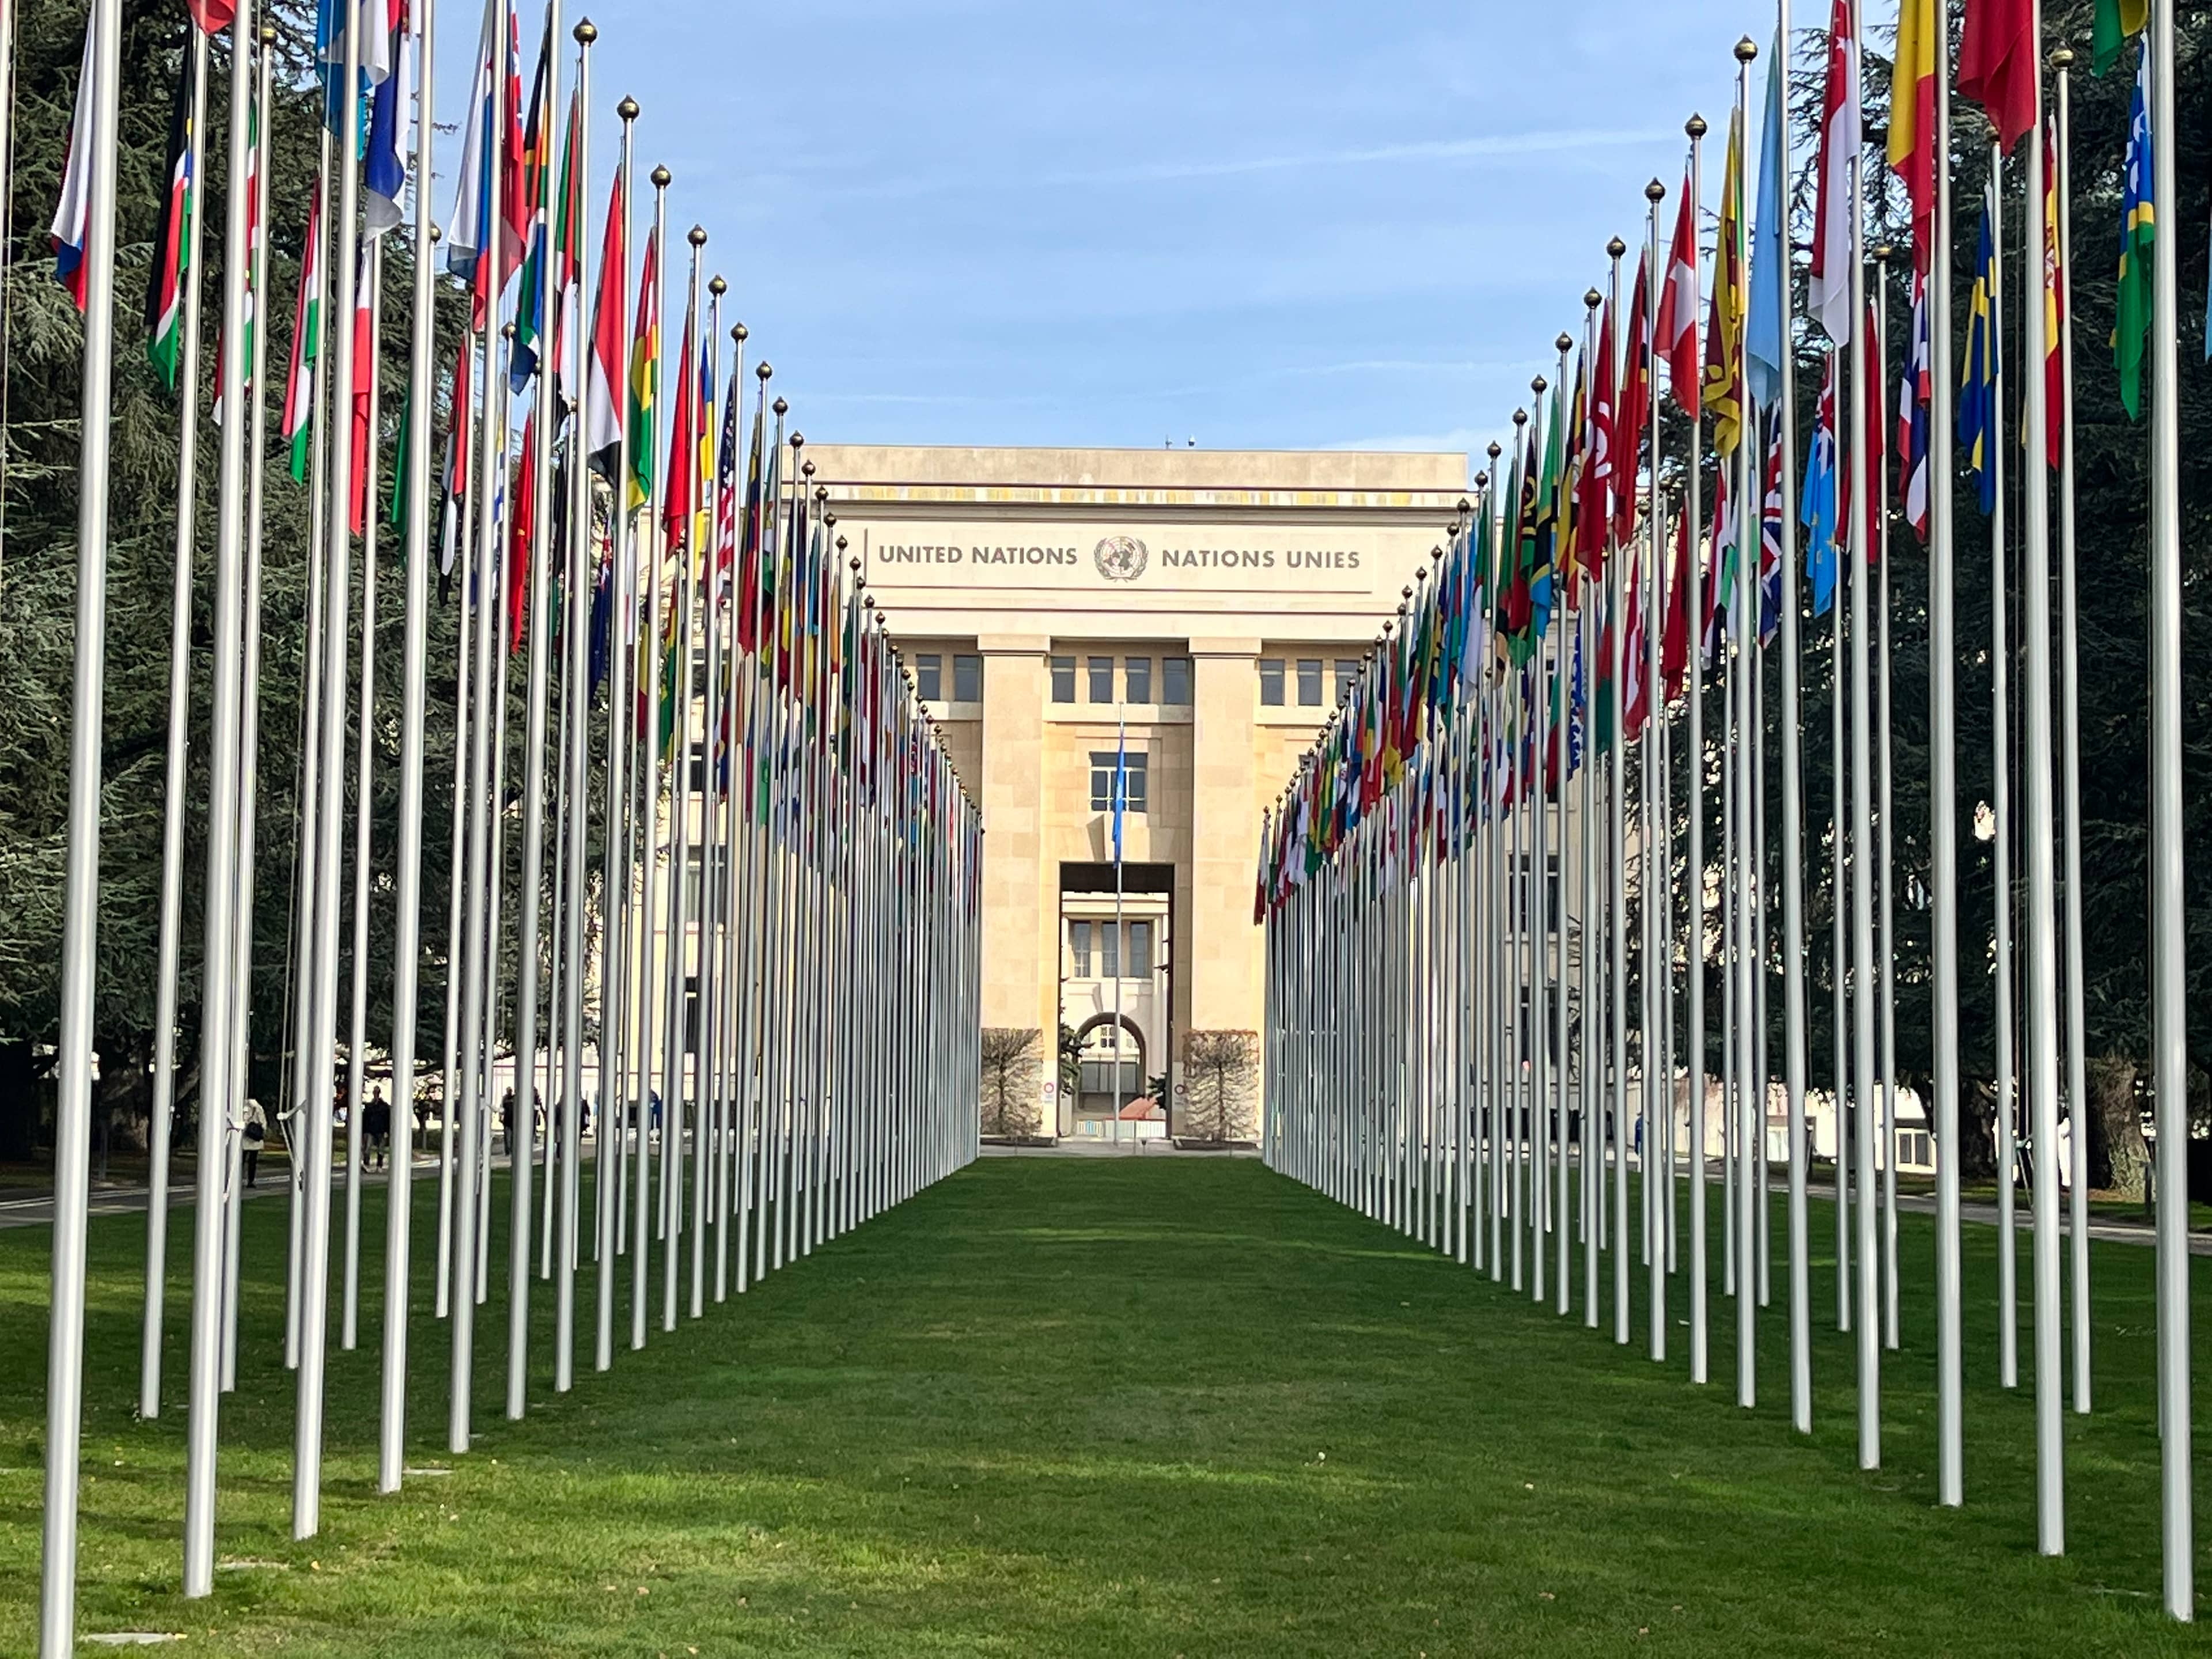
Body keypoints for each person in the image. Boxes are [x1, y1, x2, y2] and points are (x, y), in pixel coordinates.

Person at [240, 1097, 267, 1189]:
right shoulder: (259, 1108)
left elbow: (243, 1119)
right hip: (255, 1139)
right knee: (252, 1162)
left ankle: (239, 1179)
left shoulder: (242, 1106)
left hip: (245, 1137)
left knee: (241, 1161)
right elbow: (263, 1123)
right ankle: (250, 1181)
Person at [363, 1088, 391, 1171]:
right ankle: (366, 1164)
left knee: (380, 1149)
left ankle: (379, 1165)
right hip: (371, 1129)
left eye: (377, 1092)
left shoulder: (384, 1107)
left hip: (381, 1130)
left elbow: (387, 1119)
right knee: (368, 1147)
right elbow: (365, 1118)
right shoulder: (370, 1106)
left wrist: (387, 1131)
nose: (376, 1094)